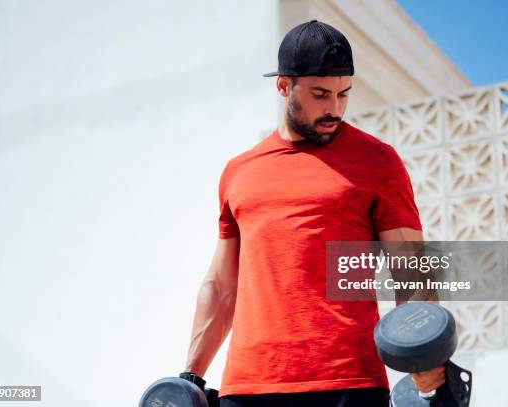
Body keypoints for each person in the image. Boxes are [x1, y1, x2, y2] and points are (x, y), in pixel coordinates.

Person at [182, 20, 444, 407]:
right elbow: (222, 285)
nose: (334, 108)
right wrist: (189, 377)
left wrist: (424, 352)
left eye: (344, 94)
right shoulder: (239, 172)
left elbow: (411, 269)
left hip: (347, 383)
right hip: (248, 387)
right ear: (284, 86)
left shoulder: (377, 162)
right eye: (321, 93)